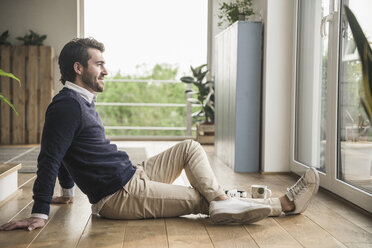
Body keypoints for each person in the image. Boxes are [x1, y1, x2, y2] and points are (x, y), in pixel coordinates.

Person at [0, 38, 319, 231]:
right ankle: (283, 204)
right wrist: (40, 211)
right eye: (100, 64)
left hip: (131, 175)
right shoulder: (67, 106)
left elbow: (68, 152)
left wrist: (68, 194)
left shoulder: (79, 101)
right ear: (78, 68)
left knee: (190, 147)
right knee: (200, 198)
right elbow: (51, 157)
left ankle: (222, 199)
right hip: (118, 196)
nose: (107, 71)